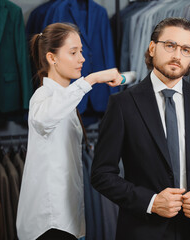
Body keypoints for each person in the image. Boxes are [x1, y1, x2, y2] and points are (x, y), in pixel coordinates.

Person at [91, 17, 190, 240]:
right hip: (143, 228)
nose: (177, 55)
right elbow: (101, 174)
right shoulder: (123, 104)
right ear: (152, 47)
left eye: (186, 49)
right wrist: (151, 202)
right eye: (170, 45)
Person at [16, 22, 123, 240]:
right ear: (52, 58)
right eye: (73, 52)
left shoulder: (67, 101)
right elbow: (45, 119)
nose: (81, 58)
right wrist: (91, 79)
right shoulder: (43, 97)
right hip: (50, 222)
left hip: (67, 218)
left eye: (81, 52)